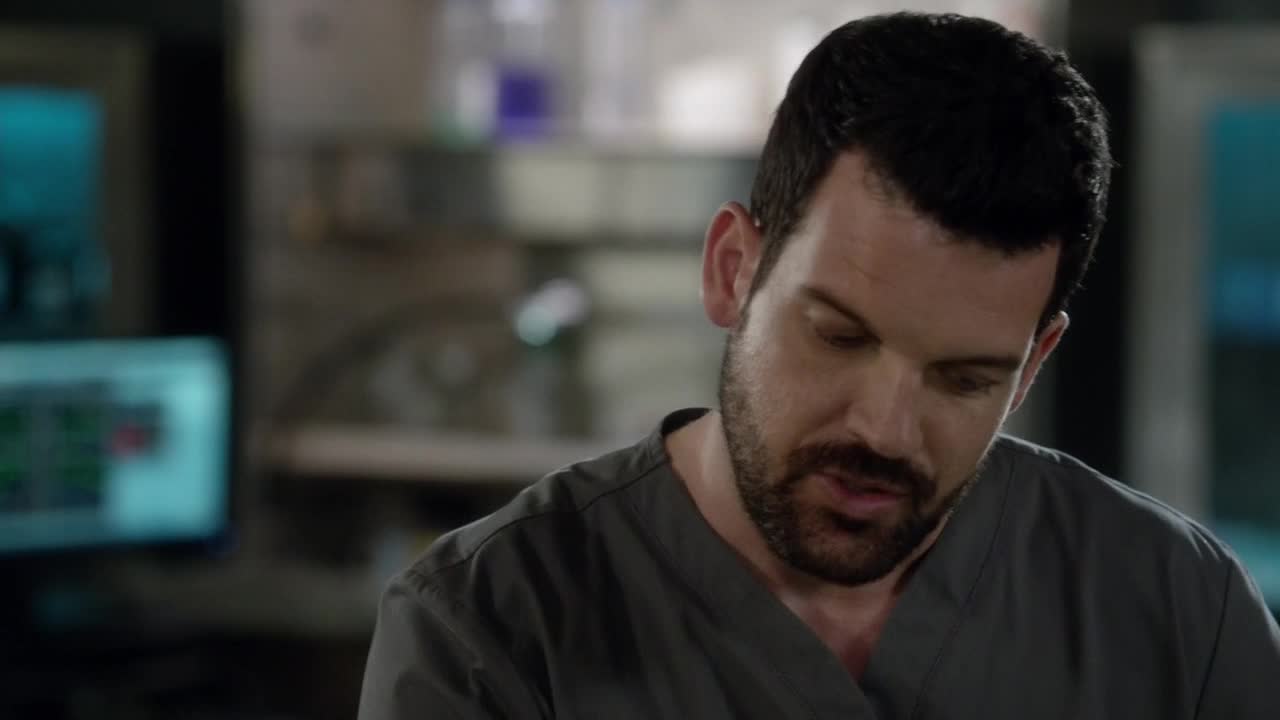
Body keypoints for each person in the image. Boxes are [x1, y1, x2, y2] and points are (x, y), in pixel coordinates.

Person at [358, 12, 1280, 719]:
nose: (885, 429)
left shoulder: (1176, 614)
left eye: (964, 379)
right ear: (733, 270)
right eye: (839, 337)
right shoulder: (490, 630)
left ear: (1033, 364)